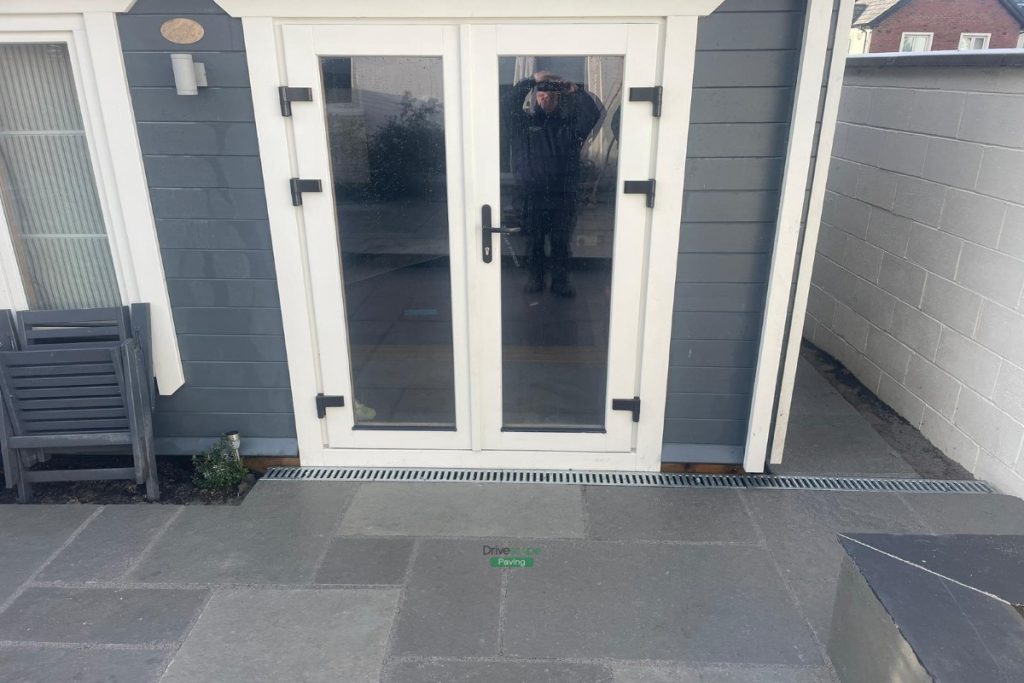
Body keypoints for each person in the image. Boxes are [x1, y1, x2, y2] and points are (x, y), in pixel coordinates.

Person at [501, 71, 602, 297]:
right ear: (535, 97)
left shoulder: (570, 127)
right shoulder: (521, 126)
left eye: (551, 95)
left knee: (560, 243)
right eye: (541, 95)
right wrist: (532, 80)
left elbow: (593, 114)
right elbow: (506, 104)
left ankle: (560, 282)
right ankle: (535, 279)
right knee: (534, 242)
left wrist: (574, 89)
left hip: (562, 196)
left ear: (558, 99)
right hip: (531, 195)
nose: (546, 98)